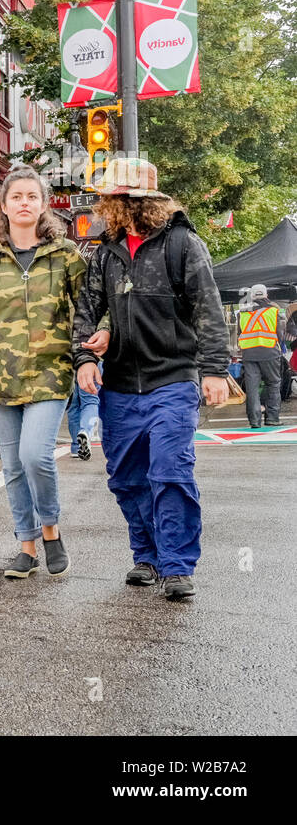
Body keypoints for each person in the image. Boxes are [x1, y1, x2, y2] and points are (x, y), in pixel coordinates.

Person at [72, 158, 230, 602]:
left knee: (169, 471)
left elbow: (208, 308)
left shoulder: (183, 244)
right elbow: (86, 310)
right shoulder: (106, 252)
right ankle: (147, 555)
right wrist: (85, 356)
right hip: (120, 383)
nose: (105, 209)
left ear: (134, 203)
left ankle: (177, 566)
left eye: (111, 201)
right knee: (127, 478)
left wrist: (215, 370)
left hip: (173, 380)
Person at [0, 166, 88, 580]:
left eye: (32, 196)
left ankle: (51, 530)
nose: (24, 203)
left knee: (35, 456)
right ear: (3, 206)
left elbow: (88, 312)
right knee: (11, 466)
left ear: (43, 204)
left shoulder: (65, 256)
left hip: (50, 373)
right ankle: (26, 547)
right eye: (17, 197)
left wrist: (92, 352)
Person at [237, 283, 285, 428]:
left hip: (249, 354)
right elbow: (280, 335)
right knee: (273, 383)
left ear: (251, 296)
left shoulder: (242, 313)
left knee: (252, 388)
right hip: (269, 352)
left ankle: (254, 421)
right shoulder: (274, 311)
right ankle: (272, 418)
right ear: (266, 295)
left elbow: (240, 333)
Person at [66, 369, 101, 459]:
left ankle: (76, 446)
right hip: (90, 361)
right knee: (90, 401)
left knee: (73, 406)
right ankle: (85, 431)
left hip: (69, 363)